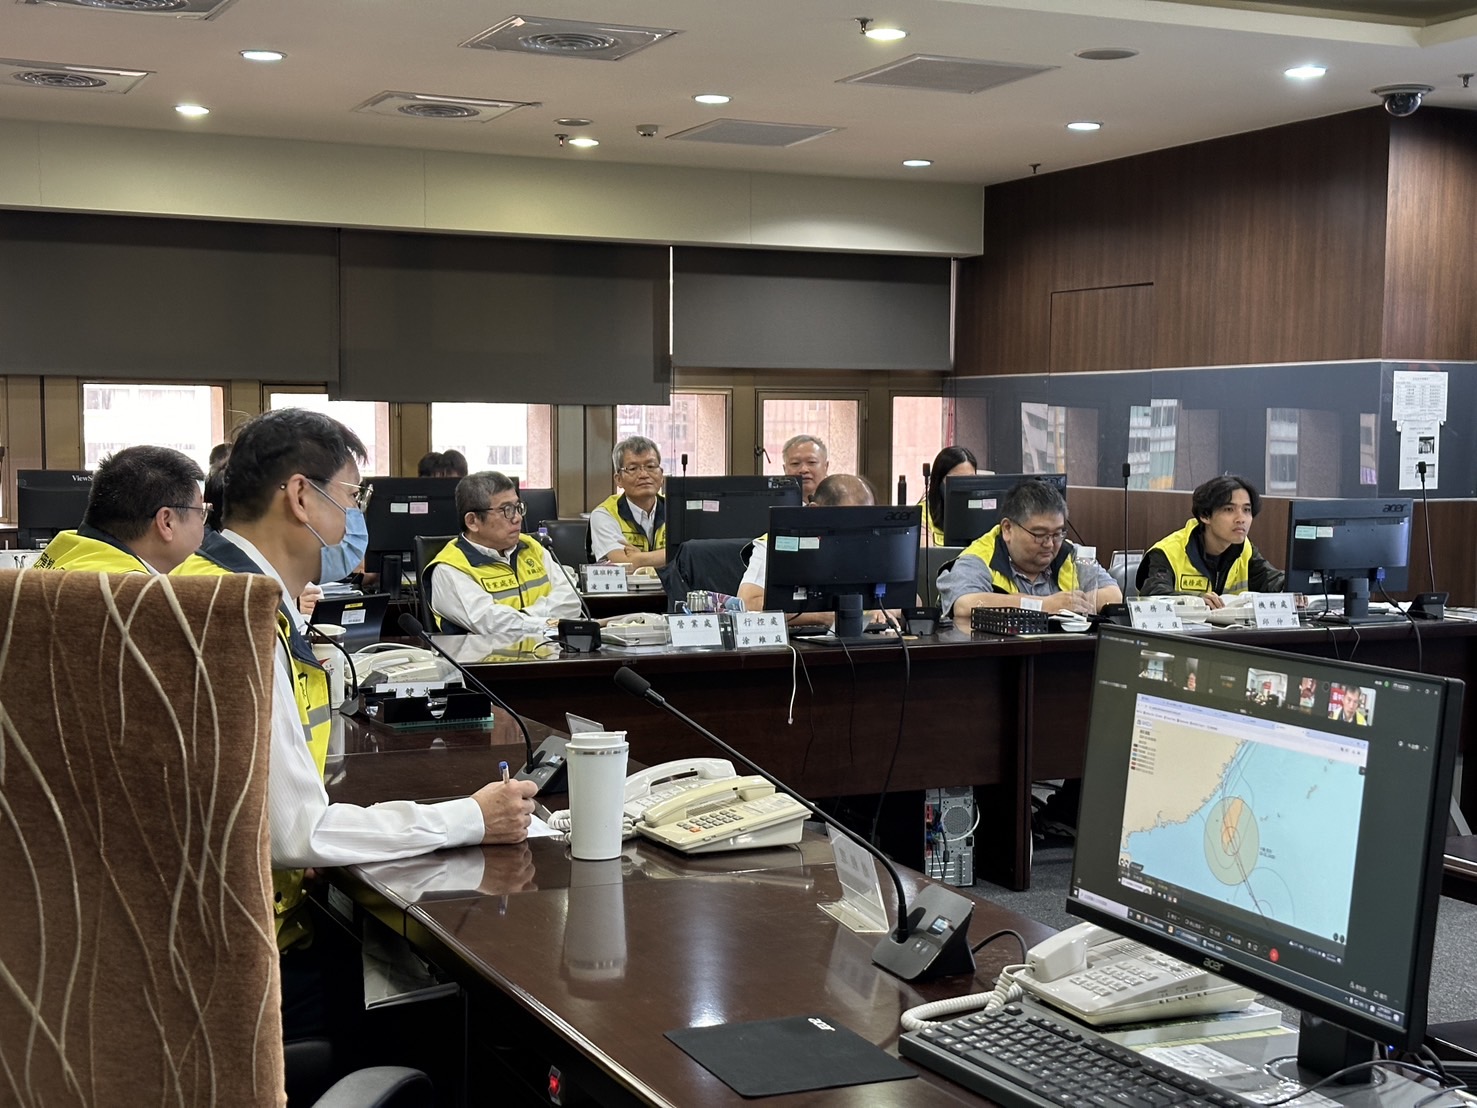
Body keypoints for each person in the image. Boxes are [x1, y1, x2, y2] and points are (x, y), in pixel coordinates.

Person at [172, 408, 537, 958]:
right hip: (239, 948)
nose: (356, 518)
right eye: (352, 497)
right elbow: (297, 832)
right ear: (301, 497)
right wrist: (471, 817)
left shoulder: (211, 585)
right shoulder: (236, 616)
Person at [937, 478, 1121, 623]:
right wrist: (1043, 605)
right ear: (1008, 529)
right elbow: (965, 604)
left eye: (1058, 533)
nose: (1050, 544)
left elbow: (1113, 595)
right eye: (1039, 534)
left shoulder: (1070, 554)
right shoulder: (979, 557)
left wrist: (1070, 605)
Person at [425, 470, 583, 635]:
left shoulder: (532, 547)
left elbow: (572, 600)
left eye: (518, 507)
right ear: (472, 521)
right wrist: (547, 621)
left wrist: (527, 617)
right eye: (506, 510)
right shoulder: (450, 569)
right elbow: (492, 624)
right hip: (489, 652)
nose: (518, 518)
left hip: (549, 649)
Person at [35, 445, 207, 574]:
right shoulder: (131, 593)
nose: (204, 525)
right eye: (201, 512)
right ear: (166, 522)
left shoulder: (69, 549)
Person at [737, 473, 878, 618]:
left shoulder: (874, 546)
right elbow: (748, 603)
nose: (857, 531)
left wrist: (880, 611)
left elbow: (890, 597)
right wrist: (821, 617)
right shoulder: (774, 544)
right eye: (848, 520)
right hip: (800, 632)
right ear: (815, 511)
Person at [1135, 475, 1285, 606]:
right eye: (1229, 509)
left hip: (1228, 629)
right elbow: (1154, 595)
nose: (1241, 519)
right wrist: (1196, 601)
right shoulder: (1167, 552)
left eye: (1246, 510)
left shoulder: (1245, 549)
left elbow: (1273, 581)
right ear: (1205, 515)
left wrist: (1293, 589)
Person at [589, 435, 666, 569]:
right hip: (626, 584)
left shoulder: (677, 510)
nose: (644, 475)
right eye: (633, 468)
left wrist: (639, 558)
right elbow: (623, 564)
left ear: (661, 475)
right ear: (618, 479)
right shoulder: (605, 514)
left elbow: (694, 556)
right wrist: (674, 556)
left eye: (650, 466)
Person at [921, 445, 979, 545]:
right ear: (939, 482)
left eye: (969, 480)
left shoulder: (980, 513)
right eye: (957, 481)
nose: (964, 487)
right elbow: (926, 552)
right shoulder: (924, 513)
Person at [782, 434, 830, 502]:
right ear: (785, 469)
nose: (803, 470)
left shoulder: (840, 502)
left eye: (811, 462)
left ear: (826, 467)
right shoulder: (772, 505)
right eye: (795, 463)